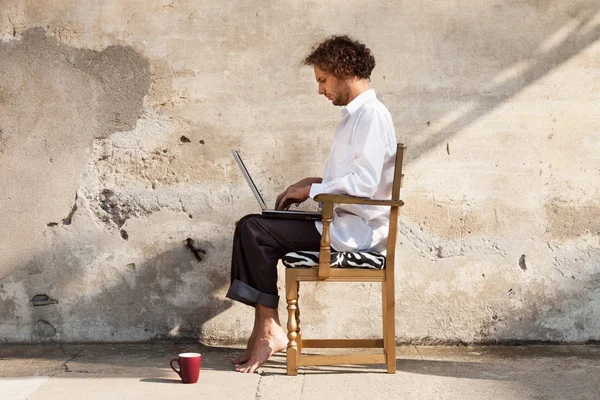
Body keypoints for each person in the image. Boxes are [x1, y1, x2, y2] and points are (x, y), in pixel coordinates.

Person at [225, 35, 397, 373]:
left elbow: (364, 184)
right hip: (343, 221)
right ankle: (266, 328)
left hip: (356, 232)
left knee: (254, 230)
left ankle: (267, 330)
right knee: (254, 228)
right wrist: (311, 182)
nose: (320, 90)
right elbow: (357, 176)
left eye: (322, 80)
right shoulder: (354, 117)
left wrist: (312, 190)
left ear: (344, 70)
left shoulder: (372, 116)